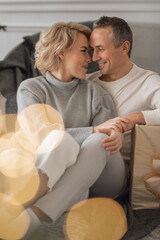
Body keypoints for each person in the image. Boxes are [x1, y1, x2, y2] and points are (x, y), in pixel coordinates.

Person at [15, 22, 126, 238]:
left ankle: (34, 213)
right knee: (59, 138)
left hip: (103, 179)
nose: (91, 59)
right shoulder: (31, 89)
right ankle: (61, 201)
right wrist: (92, 130)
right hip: (62, 178)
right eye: (84, 51)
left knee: (96, 141)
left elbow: (105, 138)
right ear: (61, 52)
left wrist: (113, 134)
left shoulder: (96, 93)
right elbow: (42, 136)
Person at [87, 16, 160, 165]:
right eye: (92, 49)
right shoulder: (87, 82)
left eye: (100, 49)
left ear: (124, 48)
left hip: (117, 170)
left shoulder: (147, 80)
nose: (94, 57)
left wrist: (135, 118)